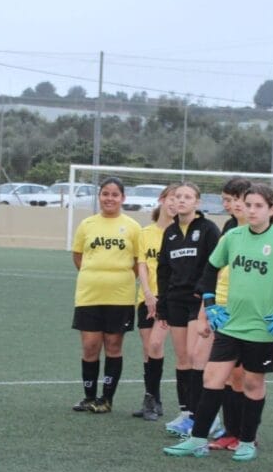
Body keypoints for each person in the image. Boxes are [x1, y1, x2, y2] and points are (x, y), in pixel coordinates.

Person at [163, 183, 273, 461]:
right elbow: (210, 268)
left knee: (252, 384)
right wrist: (211, 305)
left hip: (261, 329)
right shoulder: (233, 236)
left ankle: (247, 441)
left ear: (272, 210)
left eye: (258, 205)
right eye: (248, 205)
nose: (251, 210)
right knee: (212, 378)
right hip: (230, 324)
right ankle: (197, 438)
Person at [67, 176, 143, 414]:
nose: (109, 198)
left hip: (120, 296)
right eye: (105, 193)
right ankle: (89, 397)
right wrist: (95, 274)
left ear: (123, 198)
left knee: (113, 345)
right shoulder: (87, 224)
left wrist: (117, 277)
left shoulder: (132, 226)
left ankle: (106, 399)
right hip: (89, 294)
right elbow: (78, 256)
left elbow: (137, 262)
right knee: (90, 346)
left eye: (115, 194)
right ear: (99, 196)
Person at [155, 183, 222, 427]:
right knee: (182, 358)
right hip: (175, 300)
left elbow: (215, 265)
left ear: (197, 202)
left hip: (198, 302)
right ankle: (186, 413)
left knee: (197, 356)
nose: (181, 201)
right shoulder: (170, 232)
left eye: (187, 197)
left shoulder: (208, 229)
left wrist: (206, 295)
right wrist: (162, 302)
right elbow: (163, 270)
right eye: (177, 196)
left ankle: (204, 416)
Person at [132, 186, 175, 421]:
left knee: (156, 346)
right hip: (146, 298)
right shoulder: (145, 232)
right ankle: (153, 399)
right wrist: (148, 293)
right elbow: (142, 264)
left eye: (179, 199)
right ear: (162, 200)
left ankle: (152, 397)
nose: (174, 203)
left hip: (168, 301)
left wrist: (162, 298)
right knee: (148, 348)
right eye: (171, 198)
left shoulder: (180, 233)